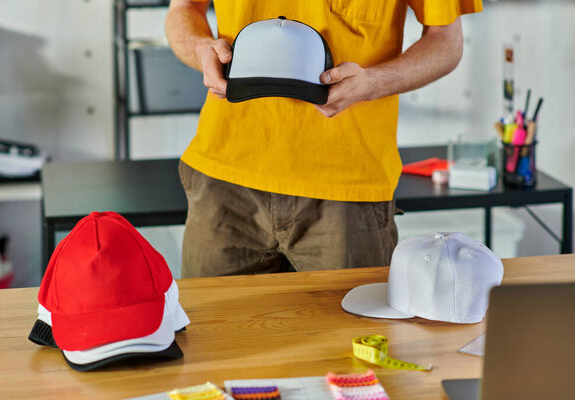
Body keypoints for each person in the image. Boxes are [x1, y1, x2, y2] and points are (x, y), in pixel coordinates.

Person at [165, 0, 482, 278]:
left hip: (348, 190)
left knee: (350, 343)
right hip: (224, 180)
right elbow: (184, 8)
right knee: (212, 341)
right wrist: (199, 48)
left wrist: (373, 82)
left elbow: (445, 40)